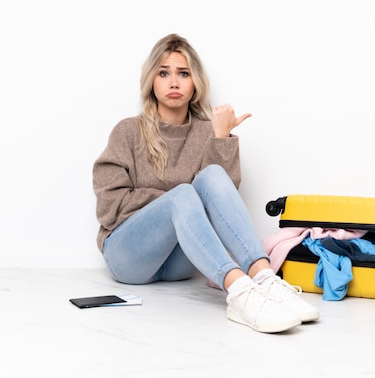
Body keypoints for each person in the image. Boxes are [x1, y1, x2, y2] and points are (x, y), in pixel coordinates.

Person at [92, 33, 319, 333]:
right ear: (151, 81)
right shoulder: (128, 132)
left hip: (180, 264)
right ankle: (240, 293)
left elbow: (222, 206)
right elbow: (111, 207)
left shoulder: (205, 132)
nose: (174, 82)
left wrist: (220, 138)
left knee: (210, 177)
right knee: (184, 194)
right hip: (129, 257)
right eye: (164, 73)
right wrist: (174, 202)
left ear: (195, 82)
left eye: (183, 73)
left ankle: (265, 279)